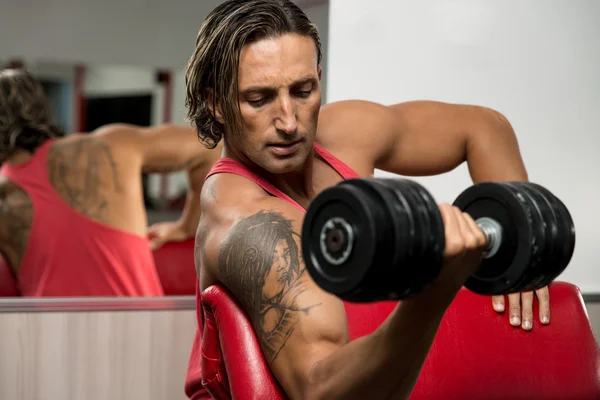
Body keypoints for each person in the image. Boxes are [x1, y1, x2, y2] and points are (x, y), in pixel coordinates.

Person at [184, 0, 551, 398]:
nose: (289, 122)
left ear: (318, 78)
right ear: (215, 103)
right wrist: (432, 293)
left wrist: (520, 252)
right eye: (259, 99)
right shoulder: (245, 222)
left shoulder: (343, 137)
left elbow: (484, 127)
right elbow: (322, 391)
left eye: (303, 90)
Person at [0, 68, 221, 297]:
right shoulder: (109, 145)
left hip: (51, 329)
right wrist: (186, 226)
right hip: (141, 327)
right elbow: (210, 146)